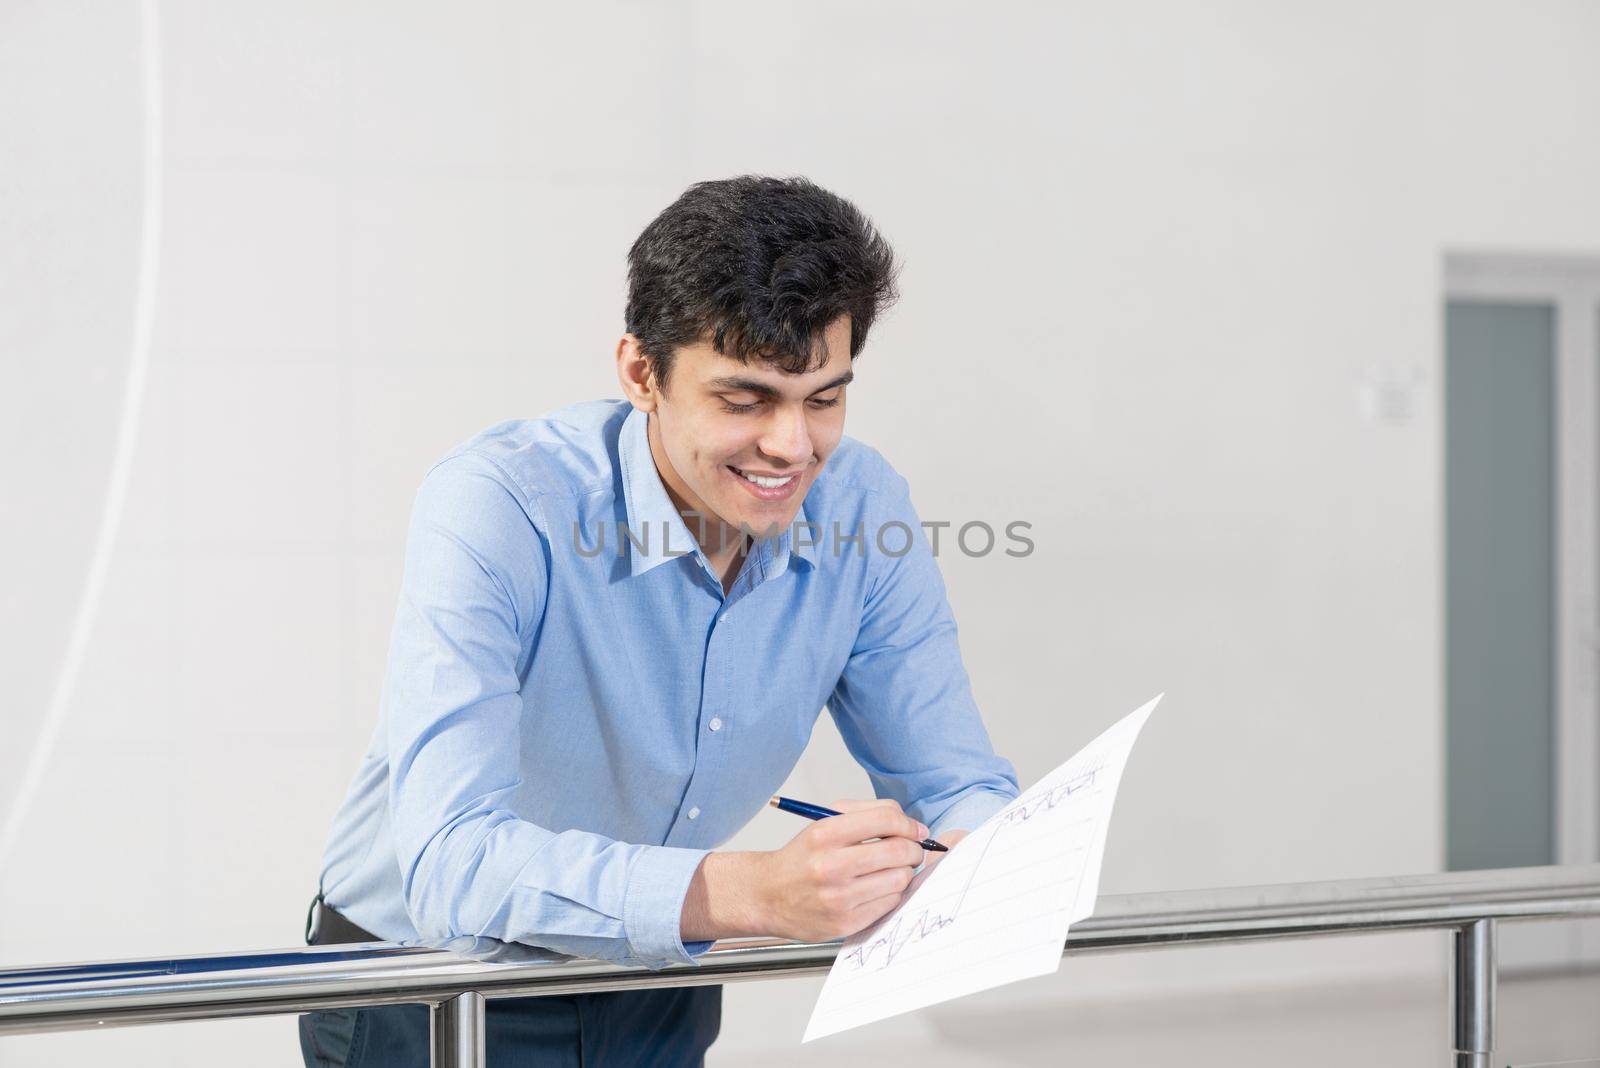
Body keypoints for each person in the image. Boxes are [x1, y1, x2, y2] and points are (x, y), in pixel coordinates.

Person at [298, 175, 1020, 1067]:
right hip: (431, 978)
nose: (793, 447)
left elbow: (958, 781)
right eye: (745, 399)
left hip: (657, 968)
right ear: (642, 373)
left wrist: (973, 856)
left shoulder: (863, 505)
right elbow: (453, 863)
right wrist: (758, 892)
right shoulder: (499, 503)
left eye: (823, 398)